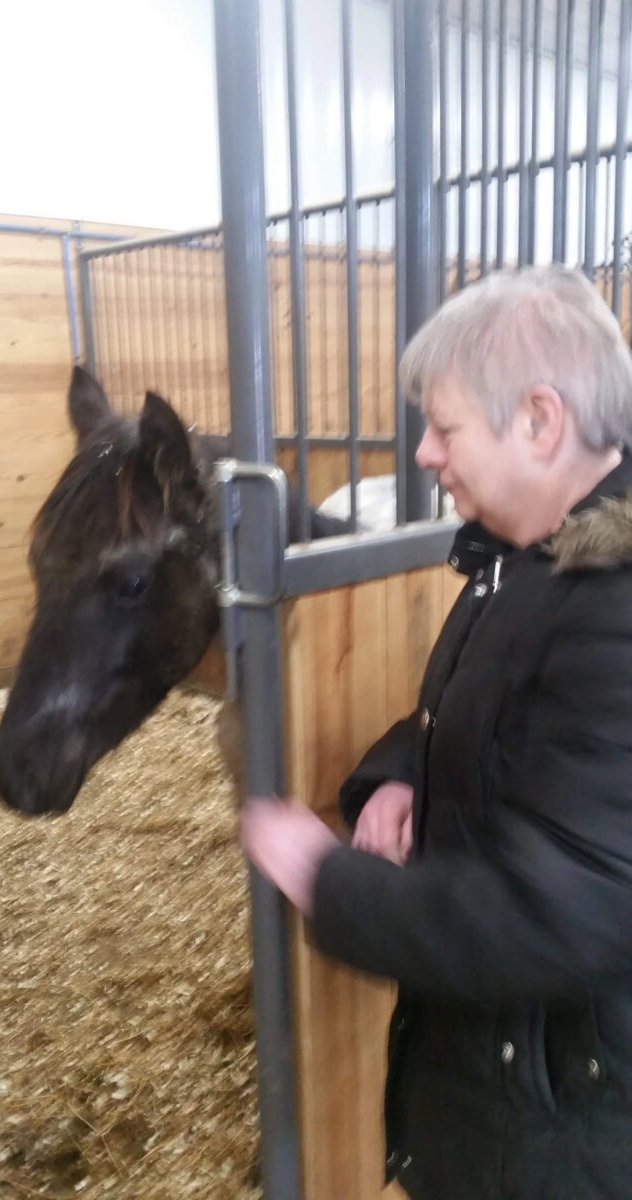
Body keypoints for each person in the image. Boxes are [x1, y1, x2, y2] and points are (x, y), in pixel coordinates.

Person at [241, 264, 632, 1200]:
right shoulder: (526, 558)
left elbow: (565, 907)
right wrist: (396, 776)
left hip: (565, 1131)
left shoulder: (613, 606)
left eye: (444, 426)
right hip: (513, 1088)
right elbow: (466, 711)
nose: (421, 453)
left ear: (538, 421)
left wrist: (329, 883)